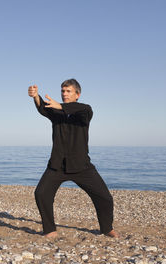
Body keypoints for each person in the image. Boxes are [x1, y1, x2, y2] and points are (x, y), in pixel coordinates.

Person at [28, 79, 118, 238]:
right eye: (62, 91)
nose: (64, 94)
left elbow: (82, 108)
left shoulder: (84, 112)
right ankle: (49, 230)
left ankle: (106, 228)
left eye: (68, 91)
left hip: (81, 166)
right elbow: (43, 108)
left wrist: (61, 106)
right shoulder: (56, 113)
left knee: (105, 198)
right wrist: (36, 96)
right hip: (57, 165)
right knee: (41, 194)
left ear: (77, 94)